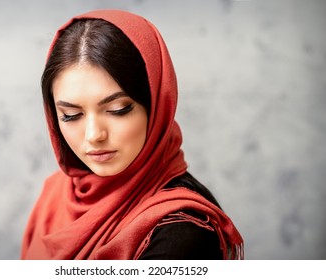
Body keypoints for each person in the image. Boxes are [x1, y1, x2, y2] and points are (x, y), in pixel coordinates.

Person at [21, 9, 243, 260]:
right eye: (71, 115)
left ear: (157, 105)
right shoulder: (57, 192)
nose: (94, 135)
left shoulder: (183, 232)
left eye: (118, 110)